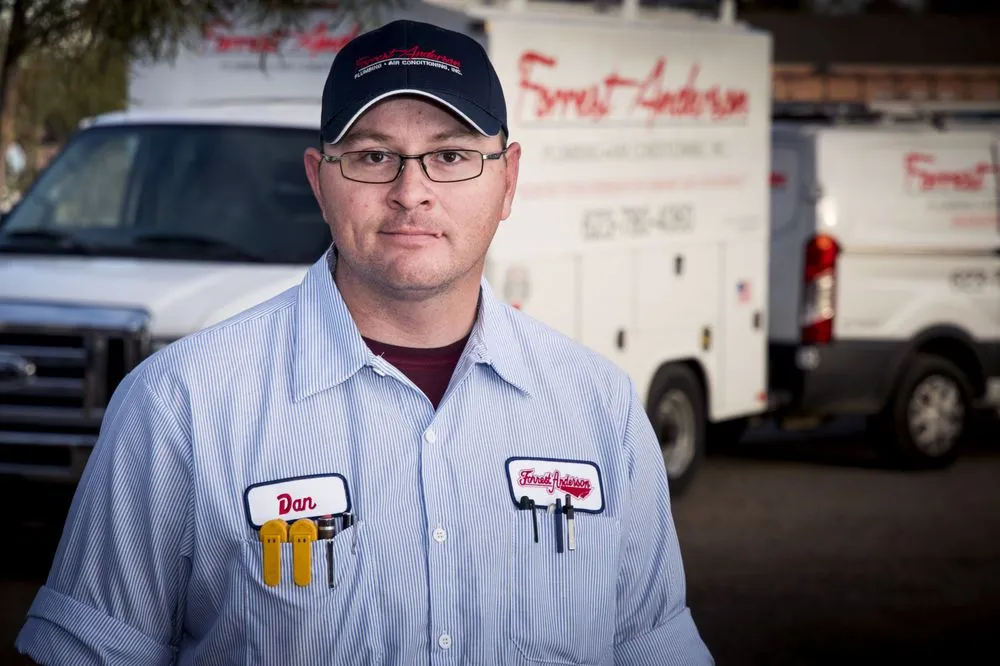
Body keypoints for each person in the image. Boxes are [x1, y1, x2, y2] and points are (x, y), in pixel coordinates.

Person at [16, 19, 714, 666]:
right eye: (374, 155)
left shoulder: (600, 408)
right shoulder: (178, 406)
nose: (412, 192)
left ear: (509, 181)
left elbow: (654, 643)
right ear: (320, 181)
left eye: (451, 155)